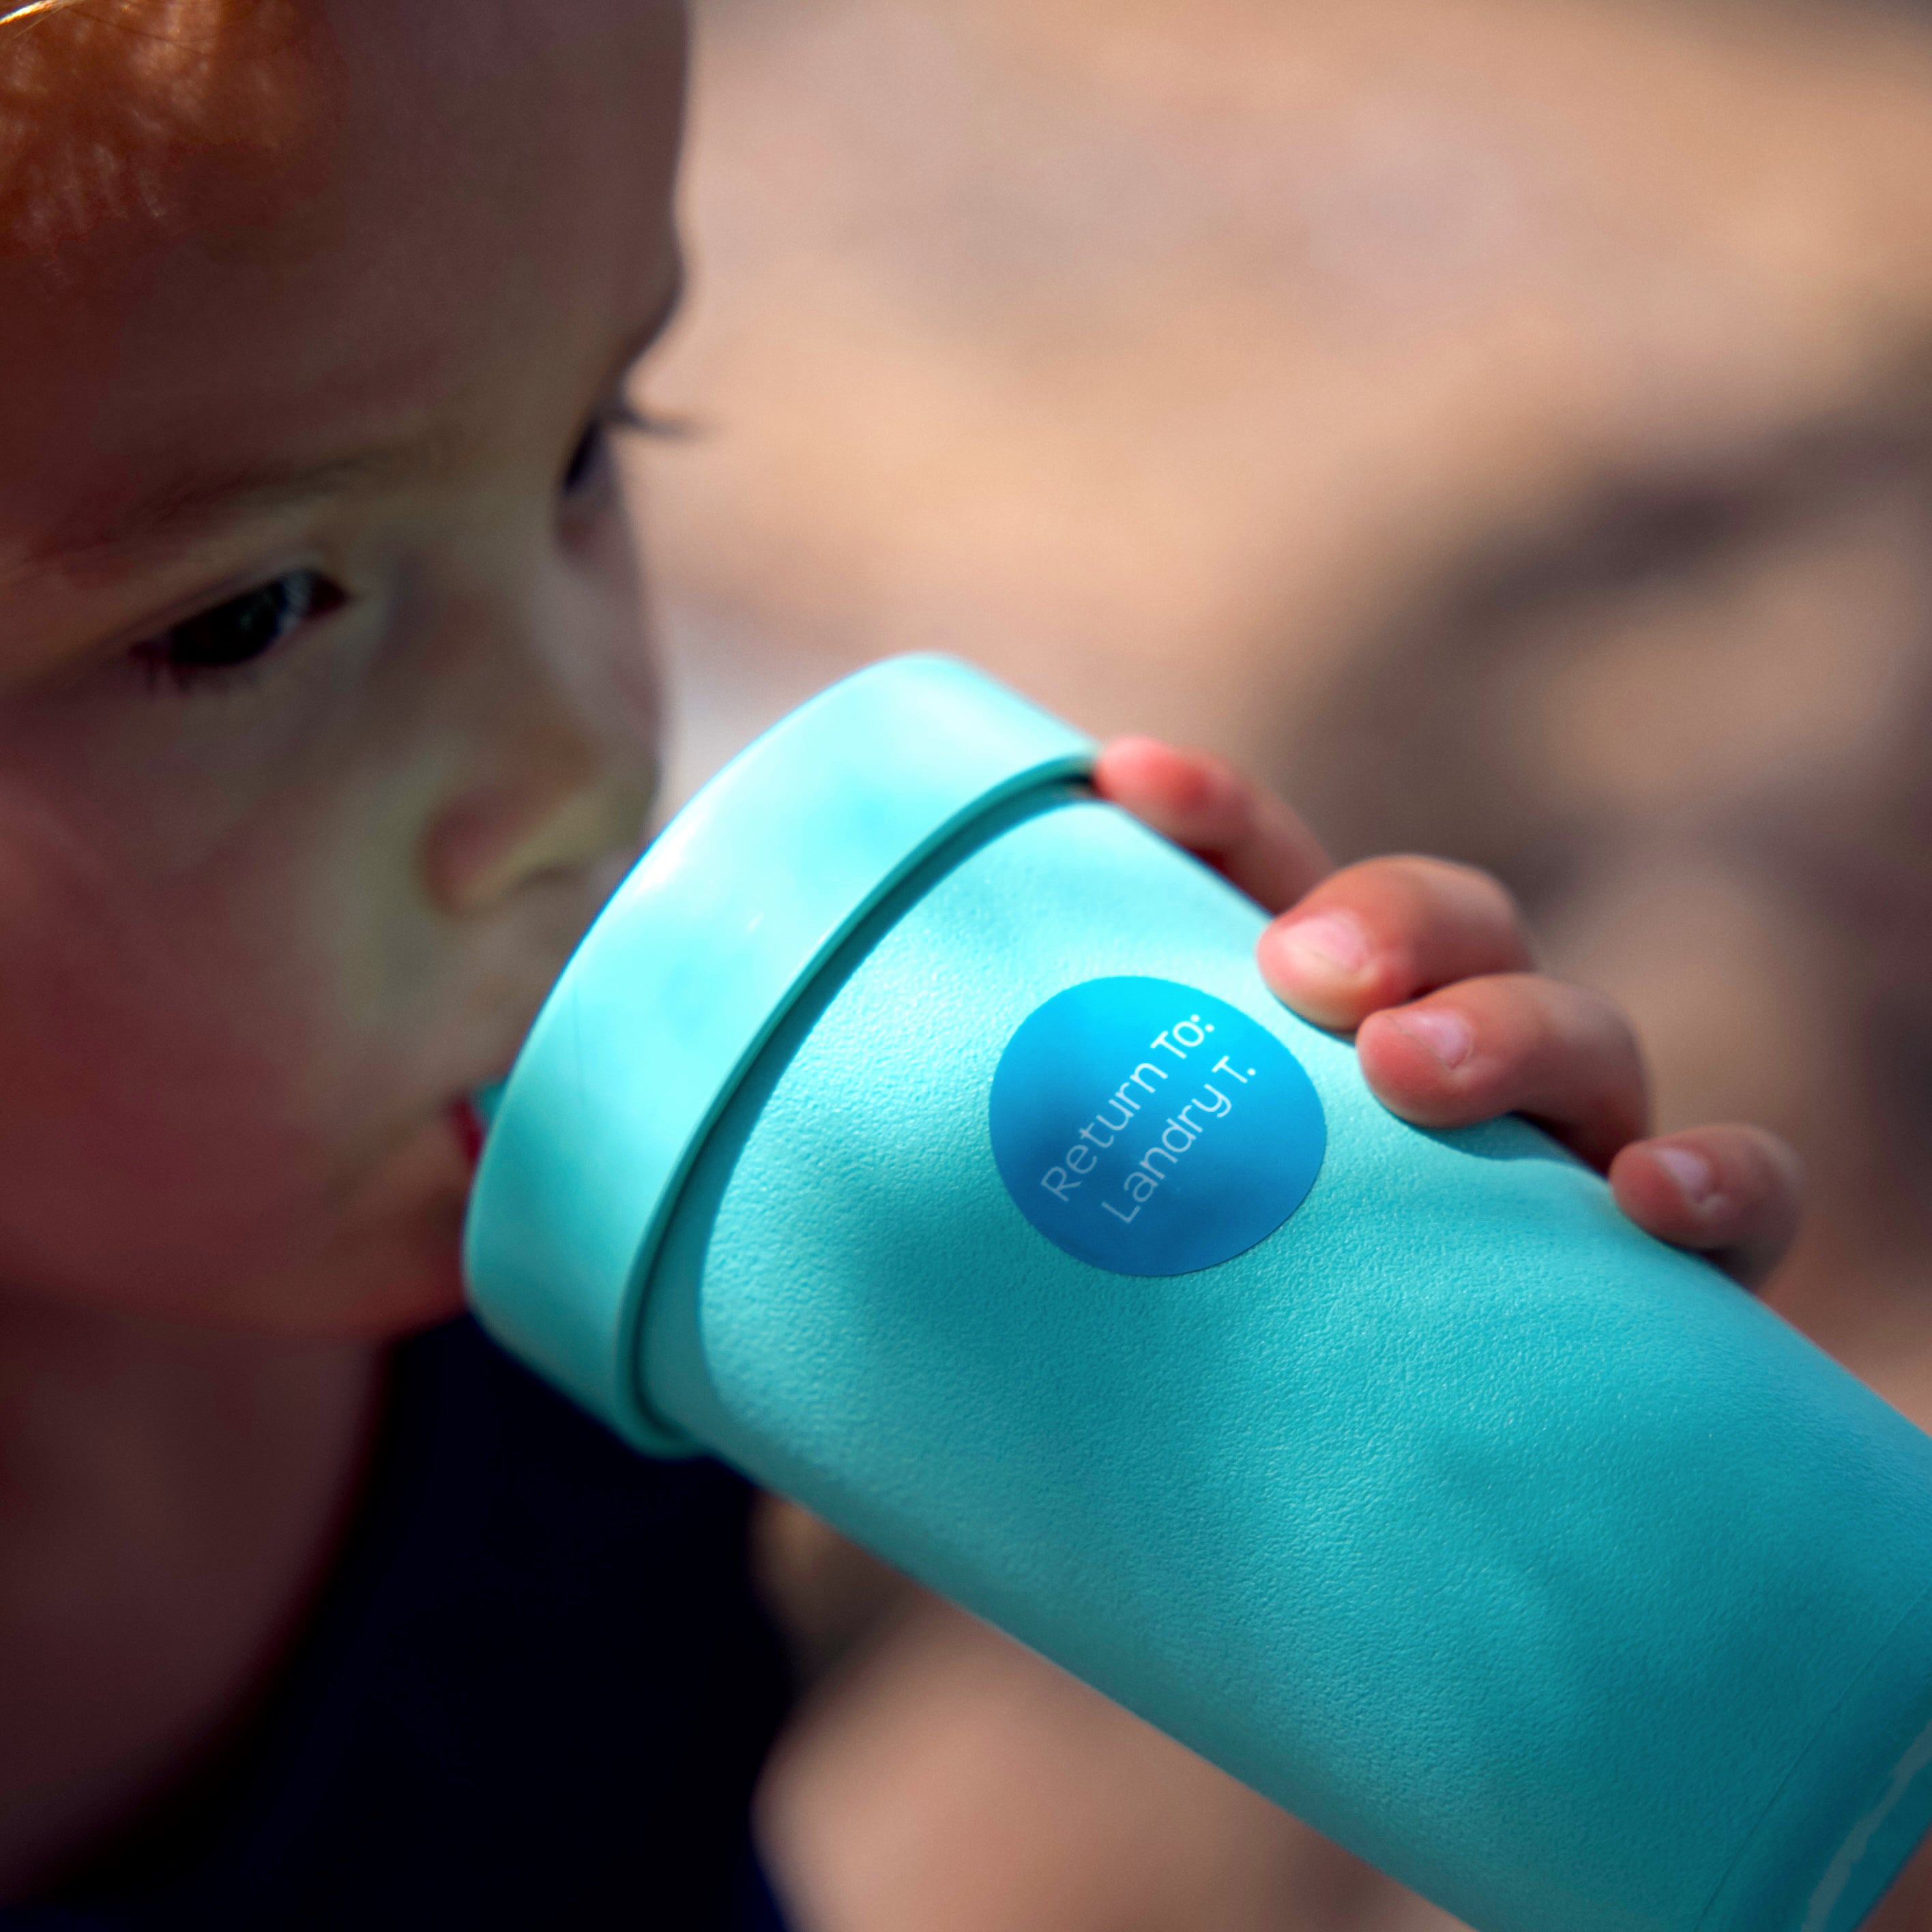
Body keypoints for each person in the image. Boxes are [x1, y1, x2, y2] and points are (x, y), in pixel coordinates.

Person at [0, 1, 1813, 1926]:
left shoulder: (581, 1252)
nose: (587, 757)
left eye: (586, 445)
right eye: (250, 618)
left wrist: (1375, 1347)